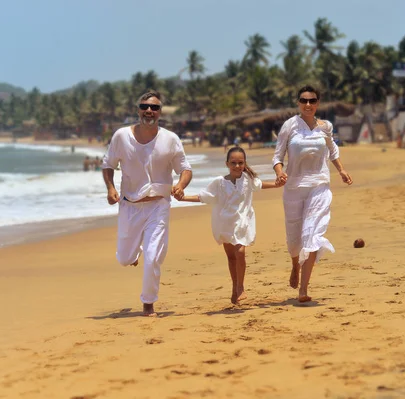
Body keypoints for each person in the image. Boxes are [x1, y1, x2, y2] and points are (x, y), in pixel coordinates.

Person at [102, 90, 193, 317]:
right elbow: (108, 165)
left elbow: (185, 169)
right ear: (138, 110)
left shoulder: (170, 139)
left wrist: (181, 185)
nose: (149, 111)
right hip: (129, 204)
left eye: (154, 107)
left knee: (153, 257)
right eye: (144, 107)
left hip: (158, 205)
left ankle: (148, 303)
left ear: (160, 112)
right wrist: (111, 188)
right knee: (124, 259)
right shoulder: (122, 136)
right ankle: (135, 252)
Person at [273, 85, 353, 303]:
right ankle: (294, 265)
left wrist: (341, 170)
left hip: (319, 185)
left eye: (312, 100)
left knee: (312, 234)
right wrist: (280, 173)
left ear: (318, 103)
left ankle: (304, 287)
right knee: (294, 237)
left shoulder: (325, 127)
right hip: (293, 188)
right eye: (303, 100)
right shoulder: (290, 126)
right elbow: (277, 156)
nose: (308, 104)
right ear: (298, 102)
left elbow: (333, 150)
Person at [178, 147, 283, 304]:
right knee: (231, 258)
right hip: (225, 223)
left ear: (244, 163)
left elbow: (260, 185)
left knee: (240, 252)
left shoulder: (248, 180)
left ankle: (240, 287)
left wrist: (277, 185)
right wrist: (182, 198)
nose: (237, 166)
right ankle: (235, 288)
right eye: (233, 163)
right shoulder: (219, 183)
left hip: (243, 223)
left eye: (240, 163)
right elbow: (203, 197)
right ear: (227, 164)